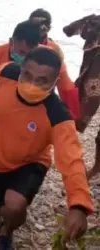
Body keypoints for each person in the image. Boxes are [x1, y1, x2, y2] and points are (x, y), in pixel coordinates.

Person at [0, 47, 93, 250]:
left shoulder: (58, 114)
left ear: (54, 83)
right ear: (20, 69)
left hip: (31, 162)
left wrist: (78, 205)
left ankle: (7, 232)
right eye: (27, 75)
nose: (32, 84)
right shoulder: (6, 72)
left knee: (14, 206)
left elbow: (72, 159)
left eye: (42, 80)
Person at [0, 20, 76, 119]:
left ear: (37, 46)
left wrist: (72, 118)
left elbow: (66, 87)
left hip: (35, 100)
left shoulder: (49, 57)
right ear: (11, 42)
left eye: (28, 54)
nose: (24, 57)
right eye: (21, 52)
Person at [63, 14, 100, 180]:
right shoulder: (94, 22)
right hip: (93, 82)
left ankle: (96, 168)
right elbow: (69, 30)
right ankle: (97, 167)